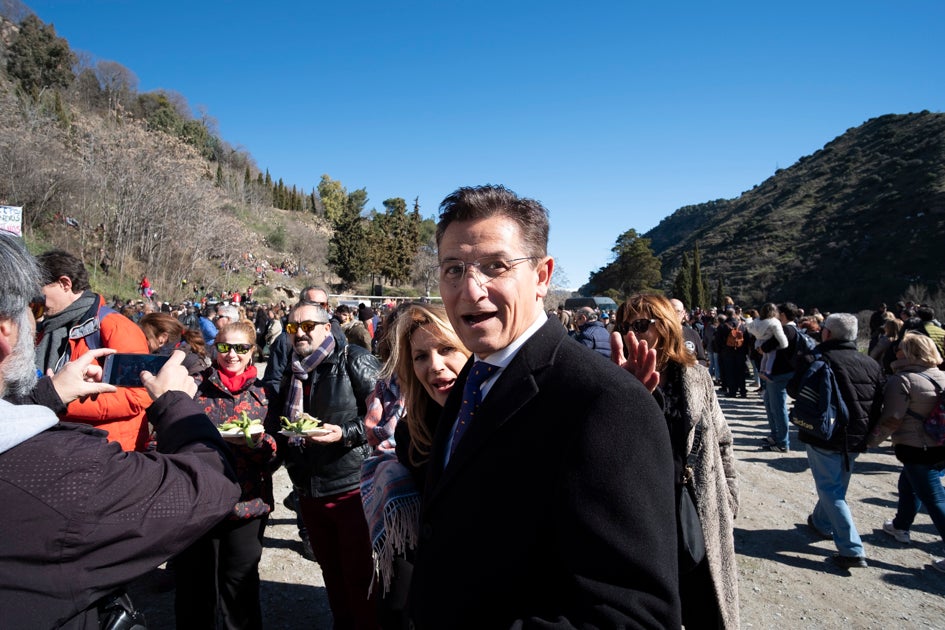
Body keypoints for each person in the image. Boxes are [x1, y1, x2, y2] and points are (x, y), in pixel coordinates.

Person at [409, 185, 680, 628]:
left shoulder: (608, 404)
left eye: (495, 266)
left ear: (542, 276)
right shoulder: (473, 378)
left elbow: (633, 616)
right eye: (453, 269)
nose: (470, 290)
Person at [0, 232, 241, 628]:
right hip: (82, 476)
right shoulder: (57, 467)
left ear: (64, 285)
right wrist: (178, 404)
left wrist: (56, 396)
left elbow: (135, 399)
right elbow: (205, 487)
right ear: (5, 332)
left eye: (40, 305)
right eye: (33, 309)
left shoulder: (113, 326)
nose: (39, 318)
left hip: (113, 454)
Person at [615, 294, 740, 628]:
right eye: (624, 326)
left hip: (697, 506)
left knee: (705, 606)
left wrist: (728, 498)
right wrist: (626, 394)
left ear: (666, 326)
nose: (631, 333)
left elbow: (723, 439)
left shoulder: (696, 377)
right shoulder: (613, 380)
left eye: (640, 325)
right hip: (643, 515)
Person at [265, 303, 381, 630]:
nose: (299, 333)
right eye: (292, 328)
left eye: (307, 326)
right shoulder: (293, 370)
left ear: (327, 328)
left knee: (362, 580)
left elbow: (386, 417)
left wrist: (344, 433)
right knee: (332, 575)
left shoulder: (353, 360)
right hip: (309, 491)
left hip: (352, 490)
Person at [361, 302, 471, 628]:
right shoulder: (411, 432)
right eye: (421, 356)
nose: (434, 365)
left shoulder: (504, 419)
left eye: (446, 348)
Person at [173, 321, 276, 628]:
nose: (232, 355)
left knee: (239, 590)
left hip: (247, 504)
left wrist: (259, 443)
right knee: (194, 590)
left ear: (252, 351)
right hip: (198, 502)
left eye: (241, 348)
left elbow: (279, 448)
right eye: (224, 347)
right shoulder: (193, 387)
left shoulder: (266, 393)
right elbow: (165, 436)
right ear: (213, 348)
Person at [789, 313, 884, 569]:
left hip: (825, 434)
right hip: (857, 436)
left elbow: (794, 390)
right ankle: (821, 522)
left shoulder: (816, 358)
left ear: (827, 333)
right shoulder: (871, 364)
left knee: (831, 489)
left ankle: (852, 549)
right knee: (836, 484)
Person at [34, 249, 154, 451]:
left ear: (65, 284)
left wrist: (60, 399)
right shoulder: (45, 327)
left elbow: (138, 395)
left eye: (39, 289)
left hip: (108, 451)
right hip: (58, 445)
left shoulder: (116, 327)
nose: (36, 298)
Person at [869, 332, 945, 572]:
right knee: (908, 483)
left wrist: (872, 441)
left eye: (900, 349)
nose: (896, 352)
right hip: (940, 444)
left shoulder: (903, 380)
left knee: (935, 499)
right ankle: (900, 525)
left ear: (908, 353)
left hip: (917, 446)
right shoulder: (942, 376)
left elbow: (892, 417)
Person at [760, 302, 804, 453]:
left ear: (783, 315)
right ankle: (776, 435)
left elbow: (765, 347)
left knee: (777, 408)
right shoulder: (794, 329)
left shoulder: (785, 330)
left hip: (778, 374)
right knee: (770, 404)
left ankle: (782, 442)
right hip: (783, 372)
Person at [138, 311, 209, 374]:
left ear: (162, 338)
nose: (141, 341)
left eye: (145, 337)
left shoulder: (191, 361)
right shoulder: (155, 355)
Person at [746, 302, 788, 381]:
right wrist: (784, 345)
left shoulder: (757, 321)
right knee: (771, 358)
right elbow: (780, 335)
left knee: (764, 358)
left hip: (759, 342)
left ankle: (762, 371)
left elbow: (750, 328)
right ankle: (768, 373)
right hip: (768, 342)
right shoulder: (774, 322)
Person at [671, 298, 707, 364]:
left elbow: (703, 360)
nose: (674, 315)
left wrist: (694, 363)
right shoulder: (659, 334)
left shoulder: (693, 334)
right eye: (670, 311)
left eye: (678, 311)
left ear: (683, 313)